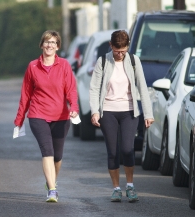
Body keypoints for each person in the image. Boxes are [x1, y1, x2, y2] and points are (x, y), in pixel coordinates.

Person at [89, 30, 154, 203]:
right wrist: (95, 111)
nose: (120, 54)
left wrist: (148, 113)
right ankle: (116, 188)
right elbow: (94, 88)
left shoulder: (133, 61)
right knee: (112, 151)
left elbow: (142, 87)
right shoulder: (103, 62)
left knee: (127, 149)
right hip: (108, 111)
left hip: (129, 111)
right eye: (117, 51)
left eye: (123, 51)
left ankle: (130, 186)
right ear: (111, 46)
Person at [14, 30, 79, 203]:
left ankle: (52, 180)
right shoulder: (33, 66)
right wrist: (19, 119)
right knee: (47, 151)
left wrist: (74, 107)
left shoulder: (64, 65)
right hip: (38, 114)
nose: (49, 45)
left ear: (57, 46)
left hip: (61, 116)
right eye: (46, 42)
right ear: (41, 45)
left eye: (53, 42)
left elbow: (71, 89)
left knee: (57, 156)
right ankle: (52, 190)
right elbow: (26, 95)